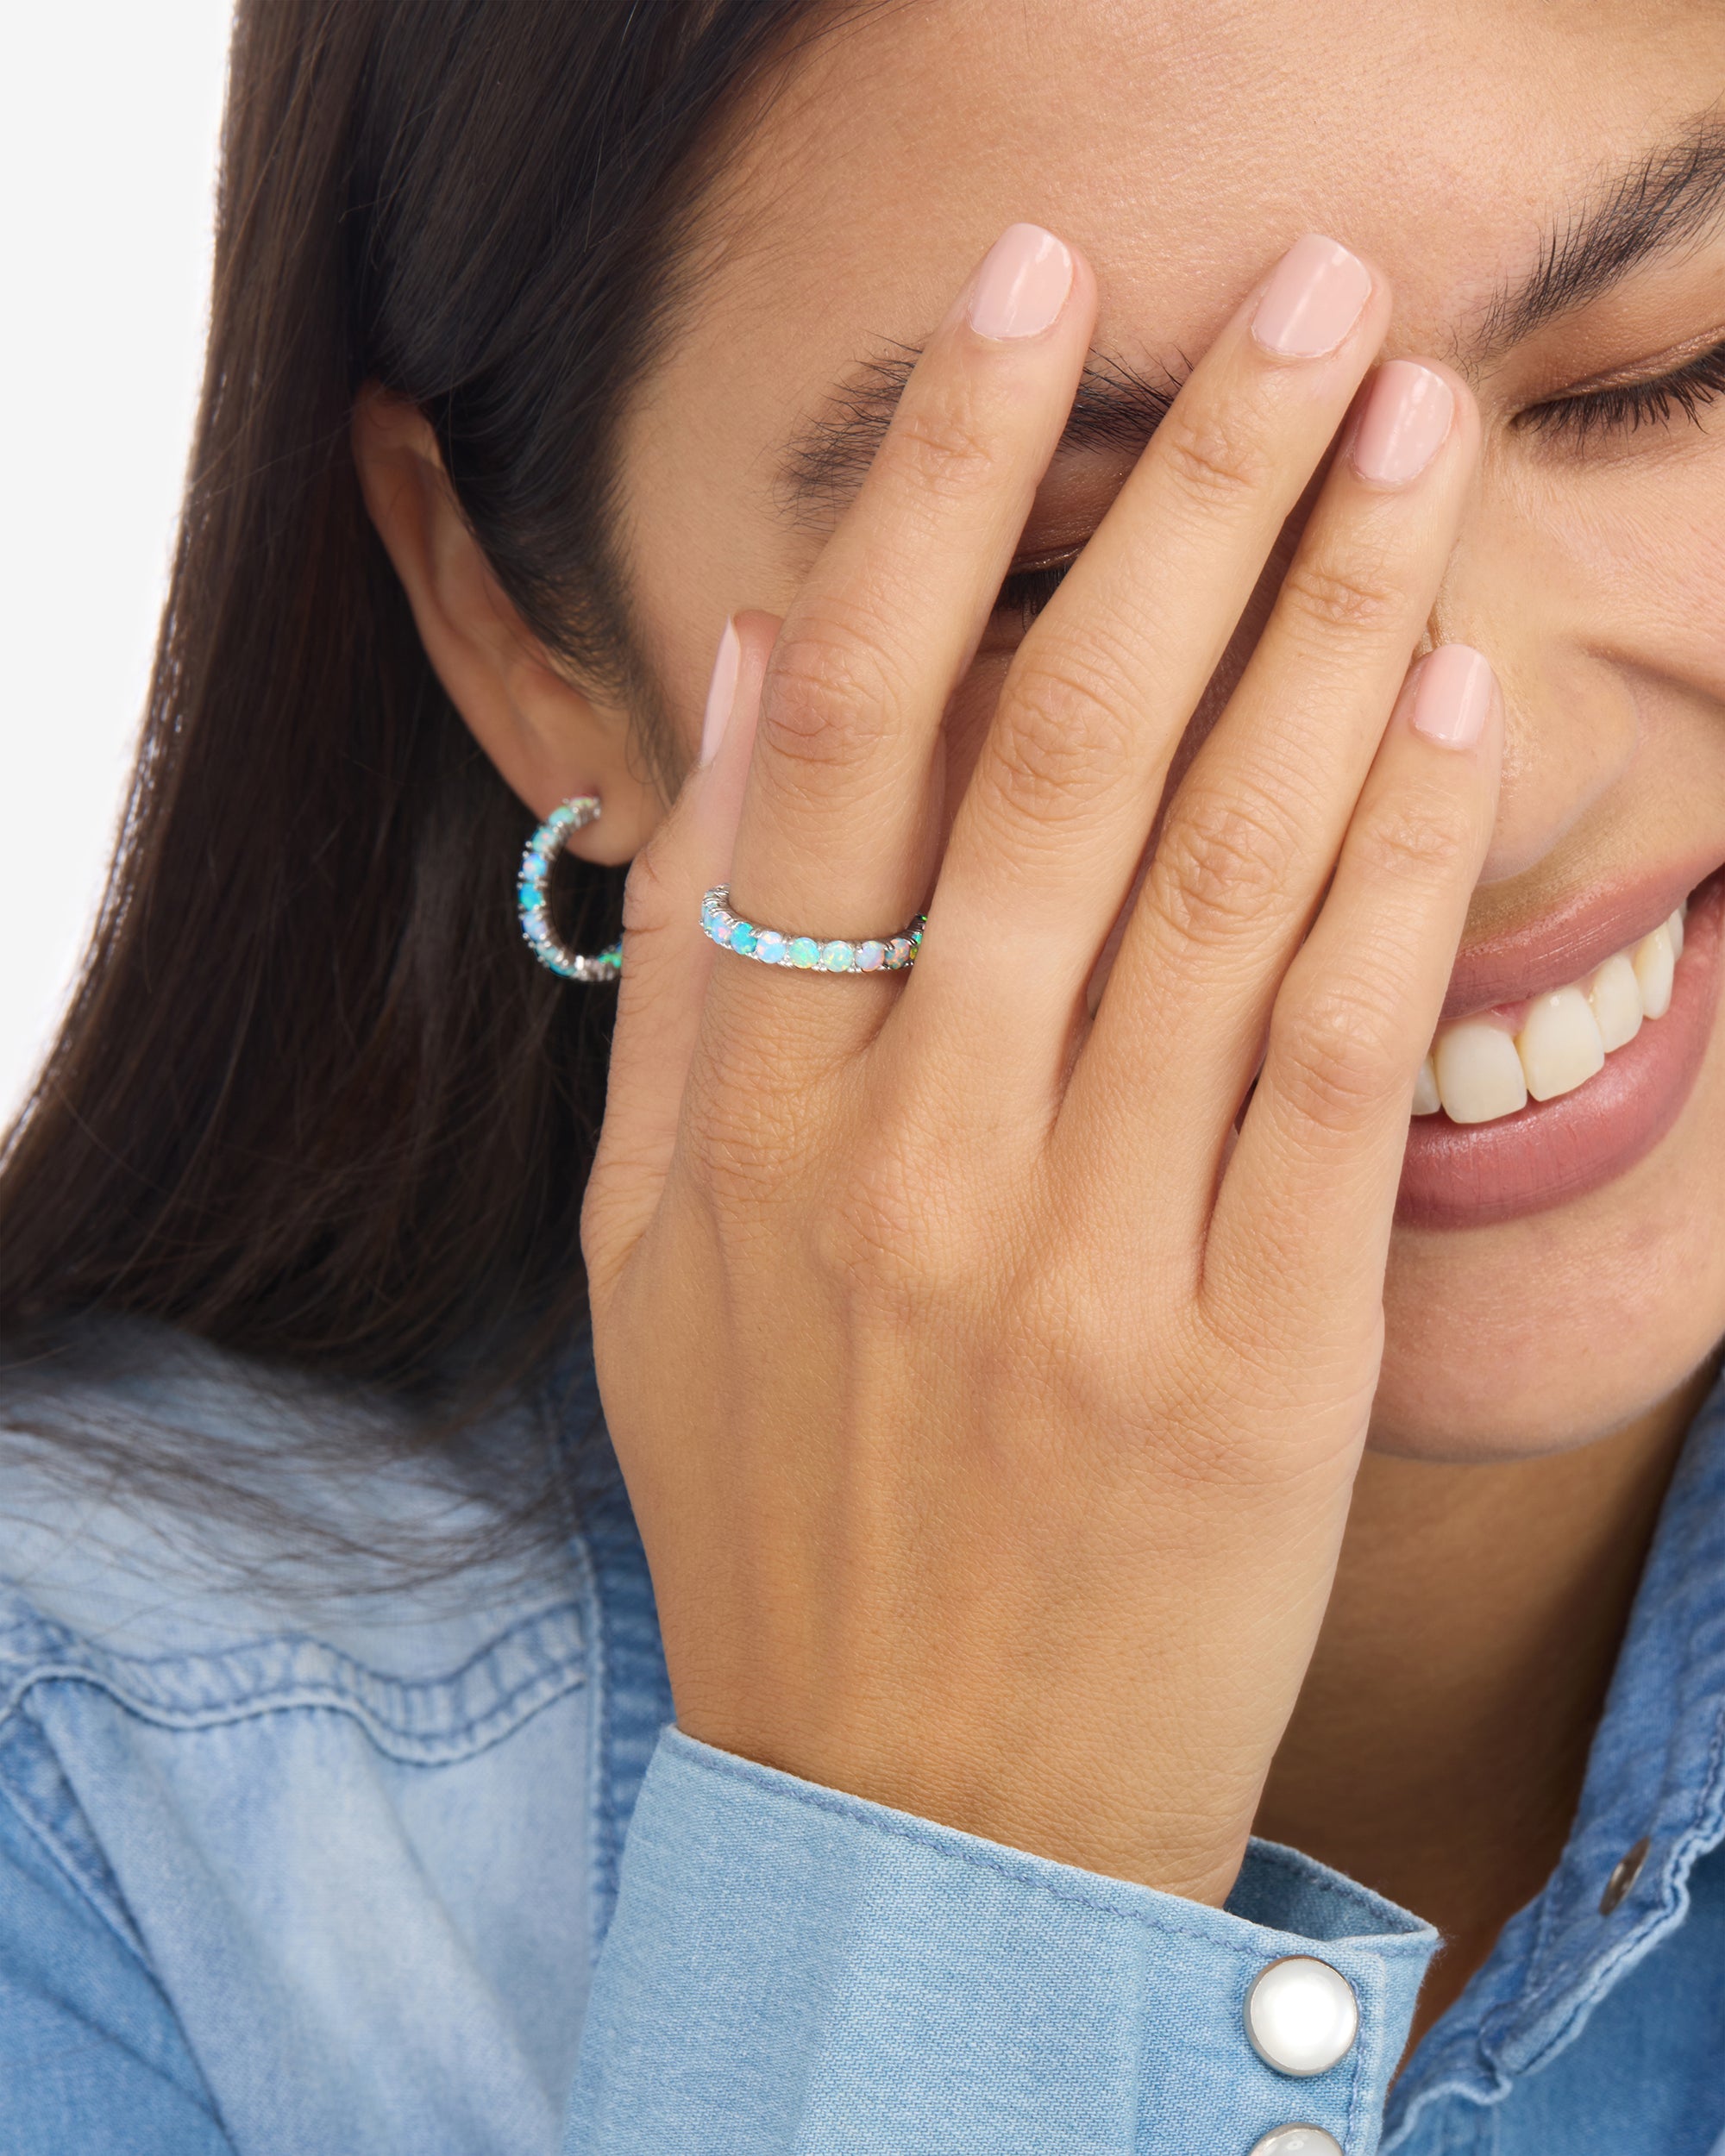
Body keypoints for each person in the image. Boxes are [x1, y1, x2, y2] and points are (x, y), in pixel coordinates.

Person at [3, 0, 1722, 2147]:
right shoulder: (86, 1828)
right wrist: (941, 1874)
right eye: (1061, 573)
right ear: (524, 641)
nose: (1501, 788)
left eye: (1666, 378)